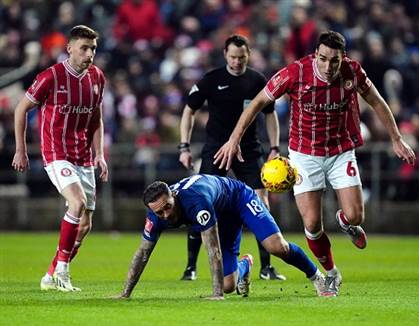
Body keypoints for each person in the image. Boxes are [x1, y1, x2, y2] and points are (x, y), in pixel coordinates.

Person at [213, 31, 416, 296]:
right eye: (323, 59)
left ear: (343, 57)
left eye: (334, 60)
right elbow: (259, 102)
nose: (328, 66)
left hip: (340, 151)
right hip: (304, 156)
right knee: (311, 224)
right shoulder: (295, 73)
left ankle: (345, 222)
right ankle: (331, 274)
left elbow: (376, 101)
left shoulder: (352, 71)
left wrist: (397, 139)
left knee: (356, 215)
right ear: (315, 55)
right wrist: (234, 139)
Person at [118, 174, 331, 299]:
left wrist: (216, 295)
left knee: (276, 247)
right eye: (159, 212)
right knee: (229, 285)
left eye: (168, 208)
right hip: (220, 213)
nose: (166, 215)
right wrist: (125, 294)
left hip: (239, 198)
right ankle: (245, 264)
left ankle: (317, 277)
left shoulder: (196, 202)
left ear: (173, 196)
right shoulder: (155, 217)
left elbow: (213, 249)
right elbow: (143, 252)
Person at [178, 34, 284, 281]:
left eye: (242, 57)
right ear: (225, 54)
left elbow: (270, 114)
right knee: (200, 203)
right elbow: (188, 111)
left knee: (261, 203)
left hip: (248, 149)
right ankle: (190, 267)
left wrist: (275, 147)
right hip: (216, 149)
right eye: (233, 57)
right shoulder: (211, 80)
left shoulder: (257, 80)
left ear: (249, 54)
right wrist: (184, 146)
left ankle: (266, 267)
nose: (237, 62)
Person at [12, 25, 109, 292]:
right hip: (57, 153)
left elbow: (96, 119)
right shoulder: (51, 77)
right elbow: (21, 108)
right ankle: (63, 273)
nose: (89, 54)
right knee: (76, 203)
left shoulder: (97, 77)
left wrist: (100, 154)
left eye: (93, 49)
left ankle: (50, 273)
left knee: (86, 225)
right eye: (84, 48)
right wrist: (20, 149)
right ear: (69, 49)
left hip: (84, 156)